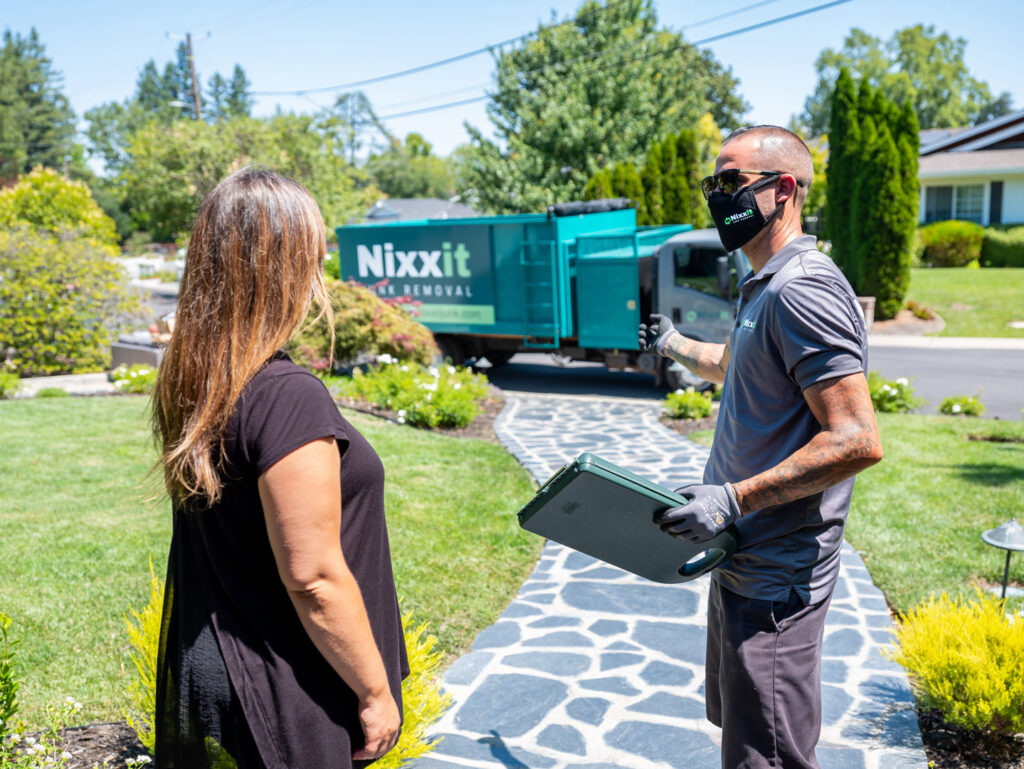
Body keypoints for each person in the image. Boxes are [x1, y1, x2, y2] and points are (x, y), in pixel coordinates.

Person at [639, 125, 883, 769]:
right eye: (710, 185)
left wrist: (733, 497)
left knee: (768, 756)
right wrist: (671, 344)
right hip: (743, 558)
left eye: (729, 183)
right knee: (746, 740)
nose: (716, 198)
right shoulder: (765, 284)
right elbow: (735, 363)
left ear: (782, 190)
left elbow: (856, 439)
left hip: (778, 574)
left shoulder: (802, 287)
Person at [151, 168, 408, 769]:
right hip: (286, 686)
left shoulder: (201, 379)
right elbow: (313, 577)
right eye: (314, 258)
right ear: (282, 269)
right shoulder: (287, 395)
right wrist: (374, 692)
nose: (321, 275)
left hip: (220, 666)